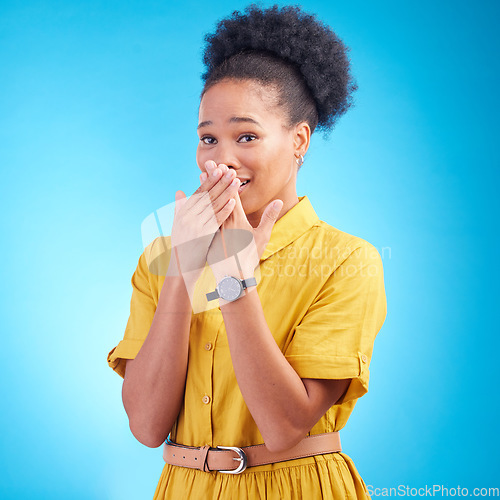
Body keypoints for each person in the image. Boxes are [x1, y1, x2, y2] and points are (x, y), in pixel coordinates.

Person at [107, 4, 387, 499]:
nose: (221, 159)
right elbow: (147, 427)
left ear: (299, 140)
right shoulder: (161, 256)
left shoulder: (346, 261)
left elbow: (283, 426)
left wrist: (235, 280)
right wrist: (182, 268)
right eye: (208, 138)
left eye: (247, 136)